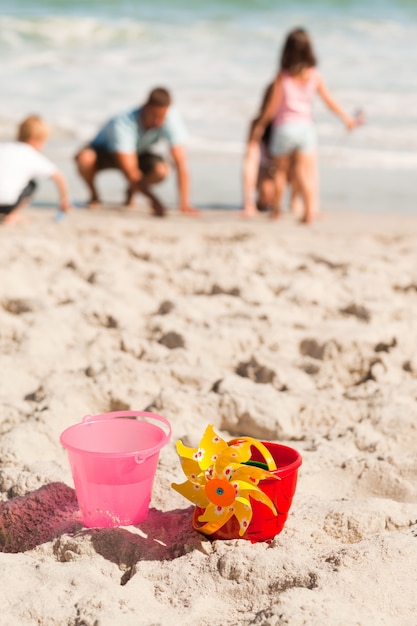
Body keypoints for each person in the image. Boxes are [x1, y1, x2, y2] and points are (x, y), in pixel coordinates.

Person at [253, 27, 359, 223]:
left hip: (284, 128)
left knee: (280, 172)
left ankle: (276, 211)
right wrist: (346, 118)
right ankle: (309, 211)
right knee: (305, 173)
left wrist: (260, 124)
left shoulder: (283, 76)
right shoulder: (314, 75)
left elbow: (272, 107)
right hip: (305, 129)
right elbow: (330, 101)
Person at [75, 87, 198, 217]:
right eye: (155, 116)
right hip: (105, 152)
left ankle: (131, 191)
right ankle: (94, 196)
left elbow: (181, 162)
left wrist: (184, 204)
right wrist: (154, 201)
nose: (158, 121)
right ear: (145, 107)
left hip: (138, 151)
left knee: (161, 170)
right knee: (85, 159)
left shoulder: (170, 117)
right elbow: (130, 171)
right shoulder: (123, 122)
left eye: (162, 117)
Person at [242, 83, 300, 216]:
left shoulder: (291, 126)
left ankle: (295, 201)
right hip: (266, 169)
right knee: (266, 196)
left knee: (300, 165)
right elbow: (249, 163)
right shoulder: (258, 125)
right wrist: (248, 202)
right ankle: (256, 202)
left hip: (285, 170)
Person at [0, 116, 70, 224]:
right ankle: (12, 215)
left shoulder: (4, 147)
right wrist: (64, 200)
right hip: (6, 205)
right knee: (31, 184)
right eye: (43, 141)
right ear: (33, 140)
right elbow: (59, 177)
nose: (44, 145)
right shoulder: (31, 153)